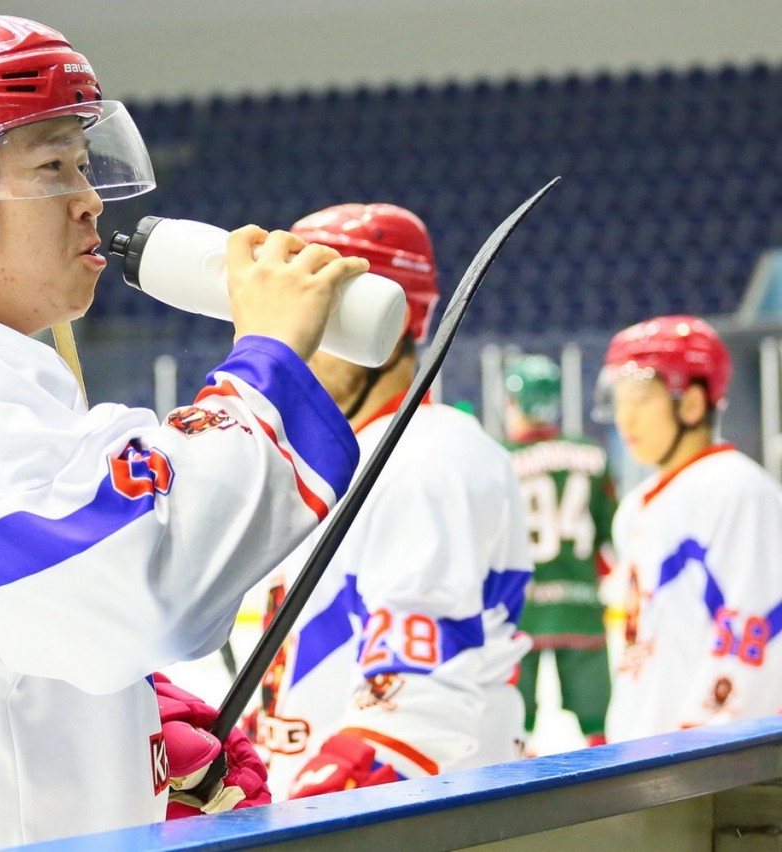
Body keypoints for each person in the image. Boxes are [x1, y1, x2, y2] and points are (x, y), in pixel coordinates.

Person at [0, 10, 376, 850]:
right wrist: (266, 360)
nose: (89, 200)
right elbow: (147, 595)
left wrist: (125, 725)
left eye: (83, 163)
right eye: (51, 167)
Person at [247, 203, 533, 798]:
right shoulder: (348, 457)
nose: (294, 341)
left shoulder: (429, 456)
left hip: (418, 815)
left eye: (316, 315)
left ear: (380, 321)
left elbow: (415, 701)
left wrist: (308, 811)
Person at [598, 315, 782, 741]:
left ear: (693, 403)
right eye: (619, 400)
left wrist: (702, 749)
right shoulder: (636, 506)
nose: (625, 418)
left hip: (702, 756)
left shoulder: (737, 490)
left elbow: (755, 632)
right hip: (645, 747)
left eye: (640, 399)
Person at [503, 354, 616, 749]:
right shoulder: (591, 454)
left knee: (514, 722)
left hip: (521, 608)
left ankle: (518, 773)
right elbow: (609, 532)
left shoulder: (500, 457)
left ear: (513, 401)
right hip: (580, 601)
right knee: (597, 727)